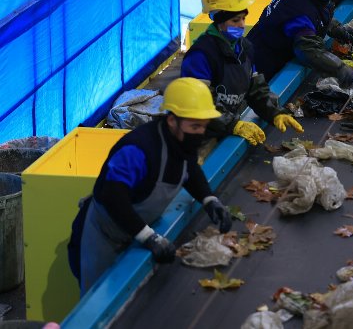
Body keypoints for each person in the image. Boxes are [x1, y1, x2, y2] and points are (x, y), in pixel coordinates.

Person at [68, 78, 234, 294]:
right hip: (101, 237)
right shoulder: (139, 149)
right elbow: (112, 196)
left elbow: (190, 169)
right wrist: (149, 237)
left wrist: (210, 200)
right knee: (99, 303)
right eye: (194, 126)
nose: (200, 133)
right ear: (172, 120)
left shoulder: (182, 141)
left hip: (133, 231)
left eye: (203, 126)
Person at [181, 0, 303, 145]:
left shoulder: (244, 47)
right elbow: (199, 104)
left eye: (243, 19)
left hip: (223, 129)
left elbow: (255, 89)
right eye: (235, 20)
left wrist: (275, 113)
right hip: (199, 138)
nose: (241, 25)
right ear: (218, 20)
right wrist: (233, 124)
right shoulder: (200, 56)